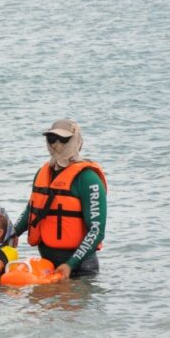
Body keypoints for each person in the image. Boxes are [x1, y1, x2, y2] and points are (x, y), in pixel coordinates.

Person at [11, 119, 108, 278]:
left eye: (63, 139)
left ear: (76, 140)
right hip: (47, 265)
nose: (56, 144)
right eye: (51, 138)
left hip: (80, 269)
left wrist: (71, 264)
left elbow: (97, 229)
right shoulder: (43, 173)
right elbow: (32, 208)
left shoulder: (88, 179)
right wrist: (14, 232)